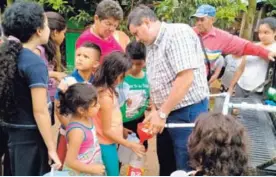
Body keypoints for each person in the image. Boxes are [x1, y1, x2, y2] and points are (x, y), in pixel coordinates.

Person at [128, 5, 209, 175]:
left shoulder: (177, 34)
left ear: (146, 22)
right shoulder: (151, 44)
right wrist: (156, 110)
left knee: (185, 163)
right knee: (165, 160)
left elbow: (185, 78)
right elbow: (157, 79)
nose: (136, 39)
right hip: (166, 111)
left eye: (136, 33)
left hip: (187, 111)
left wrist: (162, 113)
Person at [0, 2, 61, 175]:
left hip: (9, 130)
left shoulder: (7, 54)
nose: (48, 28)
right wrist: (51, 148)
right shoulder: (34, 63)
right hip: (29, 138)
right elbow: (40, 110)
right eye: (47, 24)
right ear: (39, 31)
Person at [93, 52, 145, 176]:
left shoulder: (110, 90)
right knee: (113, 173)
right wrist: (129, 144)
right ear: (114, 73)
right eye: (123, 77)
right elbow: (106, 130)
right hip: (105, 144)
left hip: (109, 142)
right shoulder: (105, 96)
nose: (122, 81)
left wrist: (121, 129)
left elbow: (109, 119)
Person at [191, 4, 276, 80]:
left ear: (212, 20)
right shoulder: (188, 33)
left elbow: (245, 46)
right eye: (197, 20)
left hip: (201, 82)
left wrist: (266, 53)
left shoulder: (222, 37)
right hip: (183, 79)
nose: (198, 23)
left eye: (202, 20)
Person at [55, 42, 101, 167]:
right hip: (70, 132)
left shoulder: (96, 81)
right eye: (78, 55)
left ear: (96, 63)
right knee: (65, 163)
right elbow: (57, 107)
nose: (80, 58)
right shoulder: (68, 81)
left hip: (89, 132)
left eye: (86, 57)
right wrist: (72, 128)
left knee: (87, 161)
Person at [58, 83, 105, 175]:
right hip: (81, 172)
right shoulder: (77, 131)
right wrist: (92, 169)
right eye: (95, 105)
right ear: (81, 110)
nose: (99, 106)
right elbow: (70, 161)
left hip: (90, 167)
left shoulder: (87, 117)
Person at [228, 17, 276, 97]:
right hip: (241, 87)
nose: (261, 36)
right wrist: (231, 87)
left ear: (275, 32)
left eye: (266, 32)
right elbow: (240, 69)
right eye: (260, 32)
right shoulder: (252, 47)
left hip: (260, 91)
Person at [34, 11, 67, 125]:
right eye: (64, 33)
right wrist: (55, 74)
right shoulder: (38, 50)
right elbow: (34, 73)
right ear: (55, 33)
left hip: (50, 97)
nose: (64, 36)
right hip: (42, 100)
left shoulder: (51, 50)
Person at [120, 41, 150, 148]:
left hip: (139, 122)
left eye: (138, 64)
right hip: (120, 123)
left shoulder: (148, 78)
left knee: (139, 153)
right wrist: (119, 127)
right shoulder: (119, 77)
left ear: (145, 61)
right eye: (131, 63)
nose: (134, 67)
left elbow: (150, 99)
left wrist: (151, 105)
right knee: (119, 157)